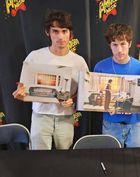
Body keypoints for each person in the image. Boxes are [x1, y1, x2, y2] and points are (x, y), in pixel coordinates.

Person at [12, 9, 89, 150]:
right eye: (55, 31)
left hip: (65, 117)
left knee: (64, 158)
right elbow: (22, 89)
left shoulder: (79, 61)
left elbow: (85, 92)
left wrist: (73, 98)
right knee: (39, 159)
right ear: (48, 32)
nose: (60, 36)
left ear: (70, 34)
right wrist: (20, 94)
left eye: (64, 31)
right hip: (40, 116)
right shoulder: (34, 57)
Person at [94, 23, 140, 148]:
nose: (119, 49)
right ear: (110, 45)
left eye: (123, 44)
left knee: (134, 161)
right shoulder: (100, 67)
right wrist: (106, 106)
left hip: (134, 123)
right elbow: (96, 97)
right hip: (111, 123)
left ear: (129, 44)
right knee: (111, 159)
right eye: (115, 44)